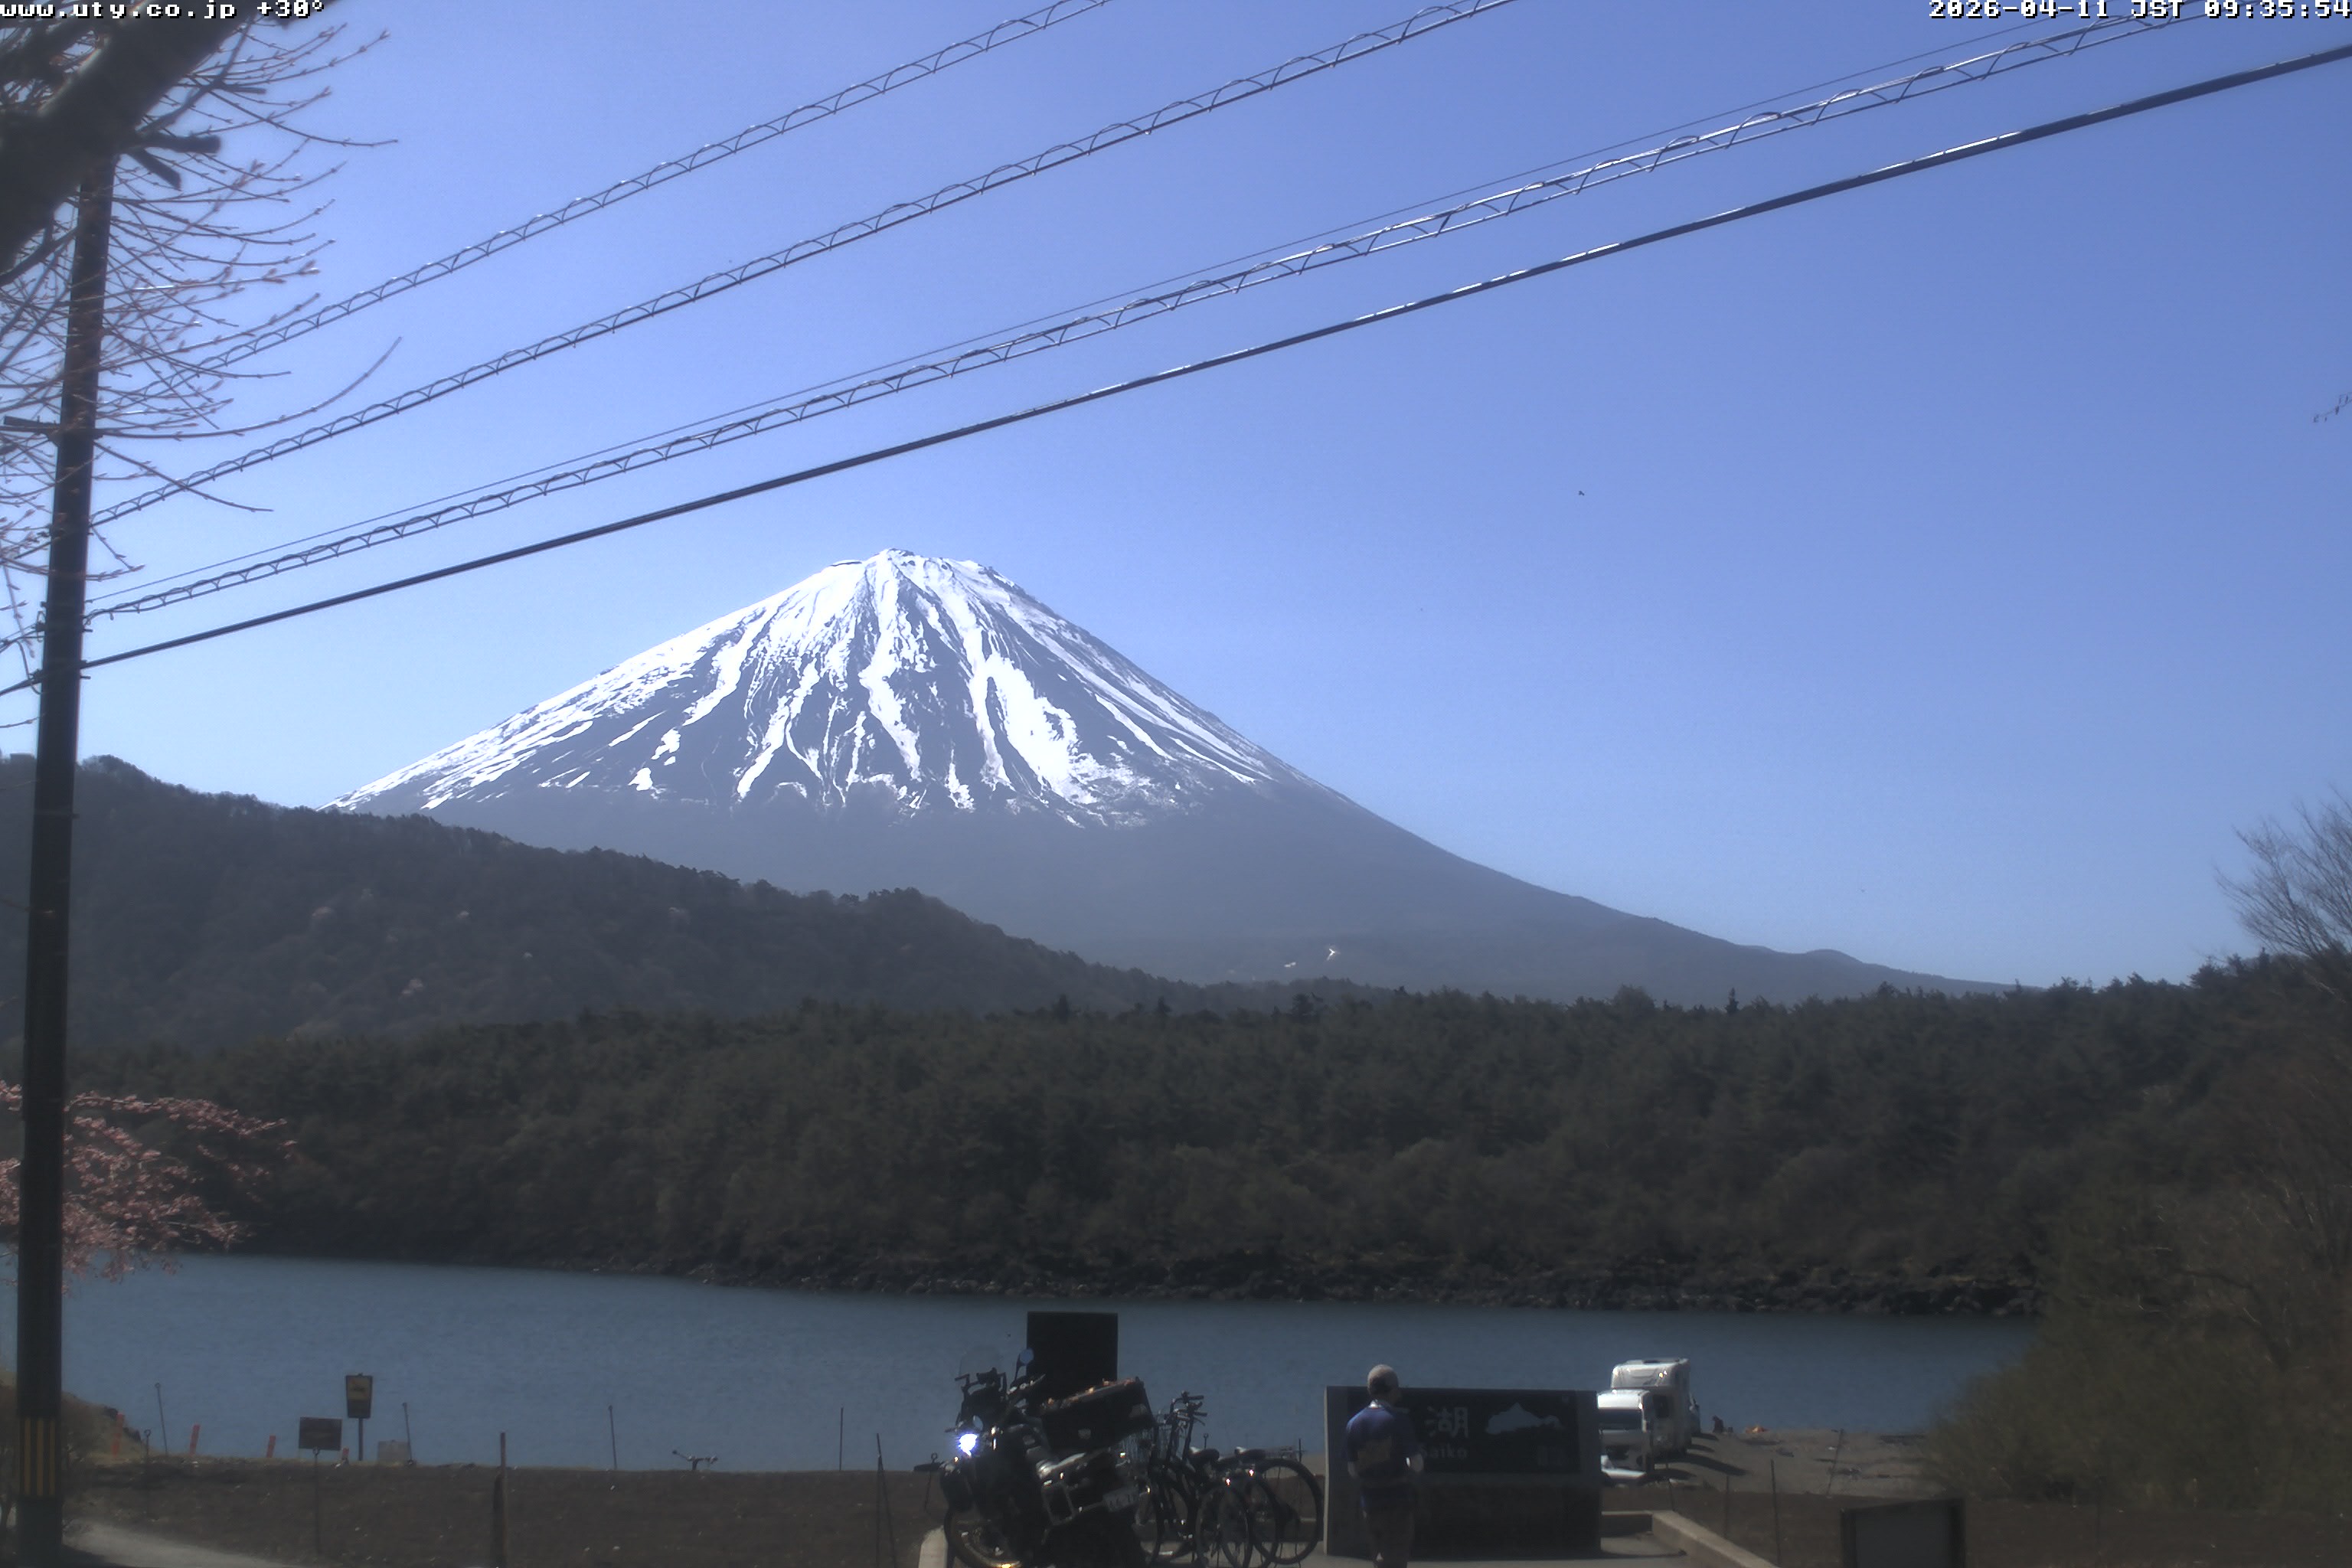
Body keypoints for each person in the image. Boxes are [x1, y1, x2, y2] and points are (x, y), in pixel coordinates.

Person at [1343, 1364, 1424, 1568]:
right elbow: (1417, 1464)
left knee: (1378, 1557)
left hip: (1369, 1502)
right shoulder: (1398, 1420)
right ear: (1391, 1389)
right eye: (1397, 1387)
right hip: (1398, 1500)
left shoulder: (1354, 1424)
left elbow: (1352, 1470)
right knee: (1396, 1557)